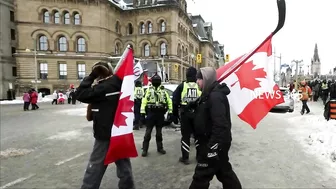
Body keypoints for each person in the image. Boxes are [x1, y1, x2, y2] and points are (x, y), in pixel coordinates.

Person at [75, 61, 135, 189]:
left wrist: (91, 76)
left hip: (104, 133)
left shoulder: (103, 87)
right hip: (120, 131)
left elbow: (79, 94)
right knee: (124, 166)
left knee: (95, 166)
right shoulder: (120, 84)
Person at [188, 67, 241, 189]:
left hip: (213, 143)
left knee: (201, 175)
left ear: (206, 79)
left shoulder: (215, 97)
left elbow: (220, 124)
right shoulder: (209, 95)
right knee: (224, 172)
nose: (197, 82)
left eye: (199, 79)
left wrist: (212, 147)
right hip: (213, 143)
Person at [173, 67, 201, 165]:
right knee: (198, 136)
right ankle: (199, 156)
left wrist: (174, 115)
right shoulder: (199, 86)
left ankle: (185, 158)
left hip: (185, 114)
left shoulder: (182, 86)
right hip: (197, 114)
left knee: (185, 136)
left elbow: (175, 101)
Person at [140, 74, 173, 157]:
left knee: (159, 133)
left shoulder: (163, 91)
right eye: (155, 80)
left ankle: (160, 148)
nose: (156, 82)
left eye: (157, 80)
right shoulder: (149, 90)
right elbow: (144, 101)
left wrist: (170, 111)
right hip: (151, 113)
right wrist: (142, 113)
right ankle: (145, 149)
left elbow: (169, 101)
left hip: (160, 114)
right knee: (148, 132)